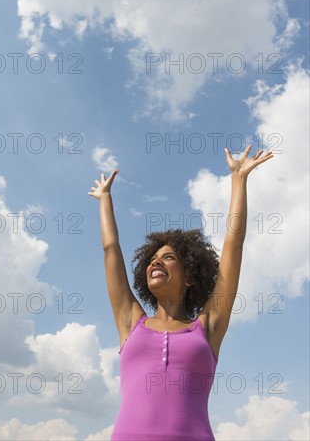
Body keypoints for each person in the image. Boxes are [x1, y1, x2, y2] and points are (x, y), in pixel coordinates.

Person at [88, 145, 274, 441]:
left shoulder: (208, 326)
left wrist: (238, 180)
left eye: (168, 257)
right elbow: (110, 250)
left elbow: (233, 248)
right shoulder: (130, 321)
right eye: (151, 260)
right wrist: (105, 200)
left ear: (189, 277)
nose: (155, 262)